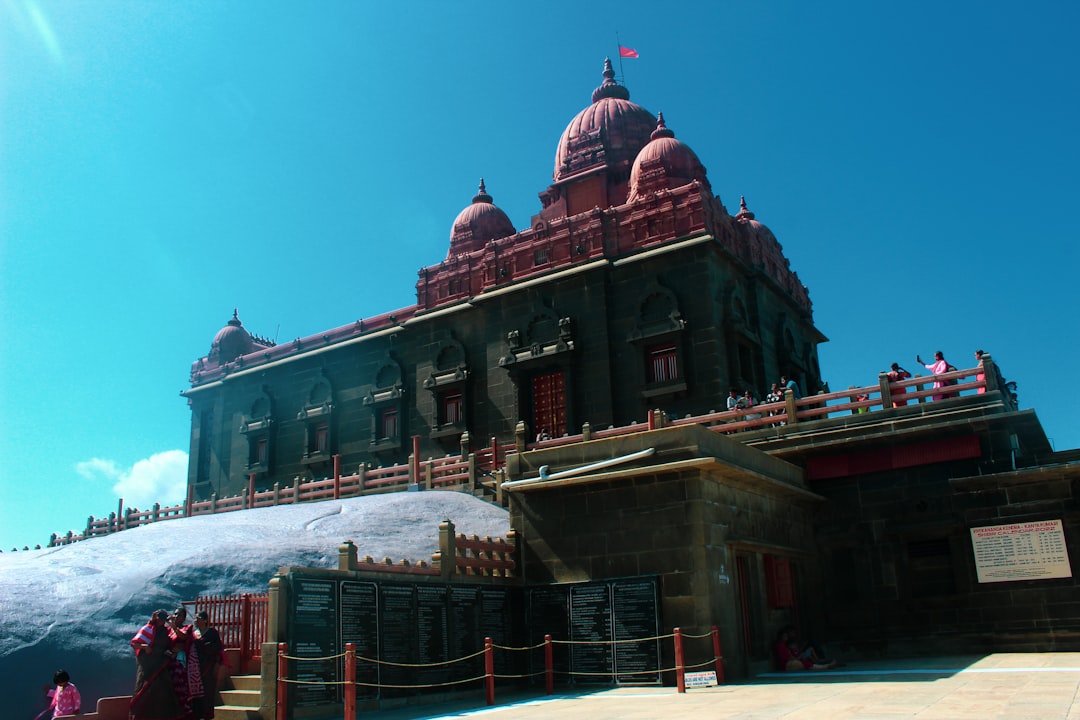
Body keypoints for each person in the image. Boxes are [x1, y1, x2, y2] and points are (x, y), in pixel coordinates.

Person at [131, 610, 186, 719]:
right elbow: (135, 643)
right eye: (159, 618)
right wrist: (145, 647)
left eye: (163, 618)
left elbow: (173, 642)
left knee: (163, 691)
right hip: (147, 666)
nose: (161, 621)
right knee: (145, 690)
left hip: (160, 665)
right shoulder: (148, 629)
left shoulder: (165, 631)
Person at [168, 606, 204, 715]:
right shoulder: (168, 630)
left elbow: (183, 637)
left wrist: (174, 628)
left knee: (180, 687)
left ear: (183, 618)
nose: (175, 616)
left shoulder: (187, 628)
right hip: (169, 660)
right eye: (175, 614)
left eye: (178, 615)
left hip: (180, 662)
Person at [192, 610, 226, 720]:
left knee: (208, 691)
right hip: (195, 667)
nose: (196, 620)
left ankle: (207, 715)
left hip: (208, 666)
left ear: (205, 620)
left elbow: (218, 649)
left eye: (198, 618)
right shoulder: (193, 634)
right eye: (195, 618)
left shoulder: (212, 633)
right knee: (196, 693)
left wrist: (217, 664)